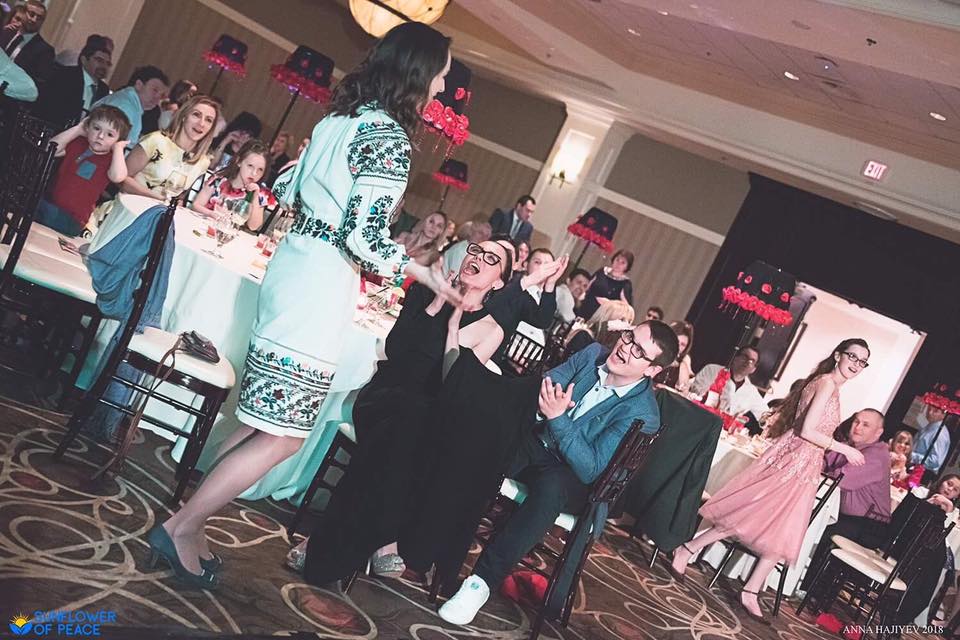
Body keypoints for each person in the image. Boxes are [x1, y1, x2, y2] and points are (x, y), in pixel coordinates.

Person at [147, 22, 459, 590]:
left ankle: (191, 520)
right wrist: (416, 269)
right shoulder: (388, 138)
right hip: (319, 285)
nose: (441, 88)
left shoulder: (339, 119)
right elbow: (364, 238)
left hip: (294, 265)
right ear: (417, 73)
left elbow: (290, 193)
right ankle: (181, 526)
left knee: (262, 420)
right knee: (284, 434)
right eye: (440, 75)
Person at [301, 239, 519, 583]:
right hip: (384, 396)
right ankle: (384, 538)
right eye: (476, 250)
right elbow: (396, 350)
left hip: (420, 416)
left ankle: (320, 544)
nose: (477, 258)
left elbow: (453, 385)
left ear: (499, 282)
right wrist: (436, 305)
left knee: (402, 434)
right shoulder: (423, 293)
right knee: (407, 423)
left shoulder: (492, 330)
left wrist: (453, 329)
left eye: (491, 259)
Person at [438, 322, 679, 625]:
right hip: (541, 442)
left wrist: (558, 417)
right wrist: (549, 411)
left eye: (639, 351)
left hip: (579, 481)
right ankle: (438, 542)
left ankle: (480, 583)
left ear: (652, 370)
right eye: (629, 337)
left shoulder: (642, 413)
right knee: (490, 447)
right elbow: (548, 383)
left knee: (552, 487)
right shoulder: (593, 354)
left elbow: (591, 467)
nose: (625, 348)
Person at [670, 338, 871, 623]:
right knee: (750, 514)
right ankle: (688, 548)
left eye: (862, 361)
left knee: (784, 528)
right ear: (839, 355)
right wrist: (844, 449)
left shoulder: (832, 386)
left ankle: (751, 589)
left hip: (805, 463)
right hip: (794, 458)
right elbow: (807, 430)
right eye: (853, 356)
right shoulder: (826, 383)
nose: (856, 364)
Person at [87, 95, 220, 238]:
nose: (201, 123)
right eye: (196, 115)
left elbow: (179, 196)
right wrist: (156, 199)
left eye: (208, 120)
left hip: (153, 227)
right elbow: (121, 179)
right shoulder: (156, 141)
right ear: (184, 116)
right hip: (123, 215)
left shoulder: (202, 162)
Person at [800, 409, 891, 592]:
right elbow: (825, 462)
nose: (857, 427)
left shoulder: (876, 455)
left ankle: (810, 591)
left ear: (878, 432)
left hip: (869, 525)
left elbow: (842, 479)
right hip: (850, 516)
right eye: (856, 421)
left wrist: (827, 462)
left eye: (866, 425)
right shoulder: (853, 447)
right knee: (806, 519)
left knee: (820, 530)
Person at [33, 106, 130, 237]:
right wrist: (78, 129)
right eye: (96, 128)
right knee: (35, 202)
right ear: (88, 127)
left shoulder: (110, 160)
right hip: (52, 204)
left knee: (34, 205)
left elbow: (118, 177)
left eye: (110, 134)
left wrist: (118, 148)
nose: (100, 136)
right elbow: (50, 148)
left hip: (74, 219)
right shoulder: (78, 143)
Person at [191, 139, 276, 232]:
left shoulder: (260, 193)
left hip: (231, 235)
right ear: (239, 161)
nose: (254, 173)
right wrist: (211, 214)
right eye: (250, 166)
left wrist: (255, 197)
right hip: (204, 227)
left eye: (260, 169)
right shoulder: (219, 180)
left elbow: (253, 226)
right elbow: (196, 205)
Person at [33, 35, 112, 129]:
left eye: (108, 63)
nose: (104, 66)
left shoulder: (103, 90)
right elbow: (48, 109)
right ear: (84, 60)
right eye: (99, 60)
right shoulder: (65, 76)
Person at [689, 346, 768, 425]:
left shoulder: (752, 391)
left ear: (754, 369)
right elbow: (695, 392)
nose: (747, 363)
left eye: (752, 361)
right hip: (698, 417)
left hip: (723, 429)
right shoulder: (712, 370)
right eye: (745, 357)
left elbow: (765, 416)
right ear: (735, 358)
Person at [92, 65, 169, 146]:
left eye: (161, 95)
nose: (157, 98)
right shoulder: (125, 107)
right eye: (155, 90)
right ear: (139, 85)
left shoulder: (131, 104)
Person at [0, 0, 53, 85]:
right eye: (31, 14)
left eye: (39, 18)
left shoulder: (45, 51)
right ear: (23, 13)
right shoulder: (7, 33)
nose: (34, 20)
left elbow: (36, 84)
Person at [564, 299, 635, 356]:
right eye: (622, 320)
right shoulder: (584, 335)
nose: (626, 325)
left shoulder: (614, 344)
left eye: (629, 321)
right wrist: (605, 327)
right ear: (608, 317)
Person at [578, 249, 635, 320]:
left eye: (623, 263)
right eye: (617, 260)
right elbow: (587, 286)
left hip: (601, 316)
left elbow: (626, 309)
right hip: (585, 305)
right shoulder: (602, 271)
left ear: (627, 267)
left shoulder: (625, 283)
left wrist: (609, 303)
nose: (618, 264)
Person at [912, 402, 951, 480]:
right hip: (914, 467)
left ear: (943, 415)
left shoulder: (940, 434)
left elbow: (934, 462)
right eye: (929, 409)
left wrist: (911, 456)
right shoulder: (929, 426)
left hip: (923, 473)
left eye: (935, 411)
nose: (930, 413)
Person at [654, 320, 695, 391]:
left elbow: (683, 393)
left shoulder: (682, 366)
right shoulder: (654, 354)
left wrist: (667, 389)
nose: (678, 346)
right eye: (677, 341)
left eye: (683, 344)